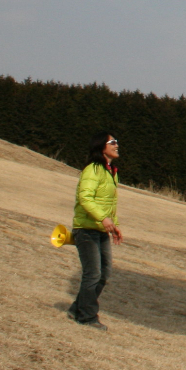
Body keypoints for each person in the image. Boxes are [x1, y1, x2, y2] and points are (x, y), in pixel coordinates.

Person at [67, 131, 122, 329]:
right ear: (101, 146)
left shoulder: (111, 171)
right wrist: (103, 218)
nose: (117, 145)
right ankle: (87, 317)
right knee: (93, 273)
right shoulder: (93, 169)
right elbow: (86, 198)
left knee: (104, 274)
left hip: (101, 230)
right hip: (86, 229)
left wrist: (113, 226)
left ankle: (77, 309)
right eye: (112, 142)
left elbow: (109, 203)